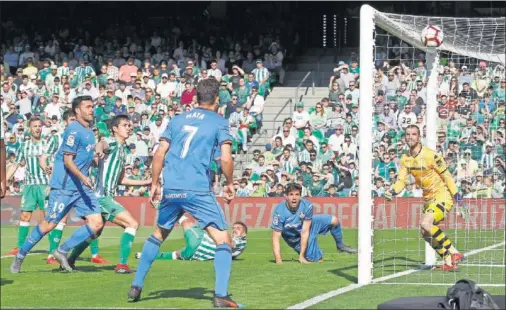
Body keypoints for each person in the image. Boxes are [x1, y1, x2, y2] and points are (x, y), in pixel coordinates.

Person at [128, 78, 242, 308]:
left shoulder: (177, 120)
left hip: (171, 187)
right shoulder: (219, 122)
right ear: (217, 99)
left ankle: (136, 285)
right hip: (197, 188)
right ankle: (221, 295)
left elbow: (159, 154)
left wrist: (153, 184)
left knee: (158, 234)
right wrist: (230, 183)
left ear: (196, 97)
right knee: (223, 239)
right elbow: (227, 158)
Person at [10, 96, 105, 273]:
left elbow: (86, 155)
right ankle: (20, 256)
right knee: (48, 225)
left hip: (82, 187)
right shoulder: (73, 130)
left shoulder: (90, 132)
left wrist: (96, 154)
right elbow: (68, 161)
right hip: (65, 187)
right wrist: (84, 177)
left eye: (93, 106)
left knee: (97, 223)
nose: (92, 109)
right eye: (88, 107)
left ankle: (61, 250)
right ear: (78, 110)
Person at [63, 115, 152, 273]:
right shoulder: (111, 142)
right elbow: (100, 144)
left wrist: (145, 182)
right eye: (125, 125)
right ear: (115, 129)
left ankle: (69, 259)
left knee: (95, 232)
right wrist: (98, 152)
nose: (129, 127)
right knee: (132, 224)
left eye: (130, 125)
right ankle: (122, 265)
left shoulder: (124, 151)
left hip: (105, 196)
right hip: (101, 196)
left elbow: (121, 179)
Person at [385, 124, 464, 271]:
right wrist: (393, 191)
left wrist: (458, 199)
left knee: (425, 223)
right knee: (425, 233)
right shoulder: (405, 159)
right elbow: (401, 181)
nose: (410, 137)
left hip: (442, 196)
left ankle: (454, 252)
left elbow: (447, 176)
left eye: (413, 134)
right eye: (407, 134)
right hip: (428, 199)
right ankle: (448, 262)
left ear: (419, 137)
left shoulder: (431, 155)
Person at [4, 117, 55, 260]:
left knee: (48, 218)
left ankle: (52, 252)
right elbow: (15, 165)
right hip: (29, 186)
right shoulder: (24, 145)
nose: (38, 128)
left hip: (44, 185)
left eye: (39, 126)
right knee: (24, 216)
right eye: (35, 126)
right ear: (30, 128)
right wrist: (5, 180)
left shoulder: (47, 145)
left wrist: (52, 185)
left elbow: (53, 166)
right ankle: (20, 247)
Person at [271, 183, 357, 265]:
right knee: (317, 259)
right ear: (286, 196)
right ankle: (313, 253)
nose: (294, 197)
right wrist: (278, 261)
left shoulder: (307, 206)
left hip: (308, 226)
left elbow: (305, 231)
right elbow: (276, 237)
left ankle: (340, 245)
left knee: (334, 220)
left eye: (297, 194)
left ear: (300, 196)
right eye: (291, 194)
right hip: (295, 238)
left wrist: (301, 256)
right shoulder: (279, 212)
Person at [135, 213, 247, 262]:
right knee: (174, 255)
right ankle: (143, 255)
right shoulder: (235, 248)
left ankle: (167, 209)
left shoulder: (241, 241)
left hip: (199, 242)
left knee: (187, 222)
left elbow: (231, 244)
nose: (234, 230)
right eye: (234, 228)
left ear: (244, 234)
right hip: (195, 255)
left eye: (238, 229)